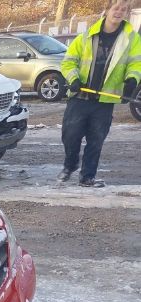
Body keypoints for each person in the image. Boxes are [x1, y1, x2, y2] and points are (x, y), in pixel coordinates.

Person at [58, 0, 141, 187]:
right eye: (116, 8)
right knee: (70, 135)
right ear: (107, 10)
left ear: (127, 13)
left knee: (96, 139)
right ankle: (70, 165)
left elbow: (136, 63)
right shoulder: (87, 36)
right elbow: (68, 62)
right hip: (80, 97)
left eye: (124, 9)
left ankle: (87, 176)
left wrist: (132, 79)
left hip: (104, 99)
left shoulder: (132, 39)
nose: (119, 12)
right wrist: (73, 79)